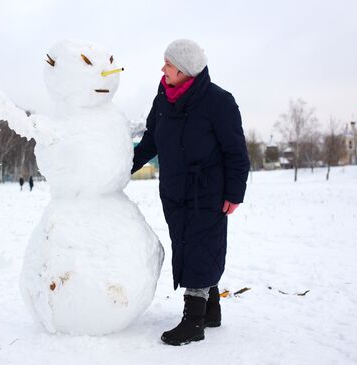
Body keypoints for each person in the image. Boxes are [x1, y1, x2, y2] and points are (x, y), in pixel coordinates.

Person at [132, 39, 250, 346]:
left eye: (168, 64)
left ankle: (193, 321)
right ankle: (211, 309)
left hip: (208, 191)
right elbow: (150, 142)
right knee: (187, 246)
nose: (163, 68)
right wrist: (122, 166)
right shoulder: (163, 99)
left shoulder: (218, 101)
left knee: (201, 247)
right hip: (172, 189)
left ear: (185, 69)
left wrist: (235, 193)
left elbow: (236, 152)